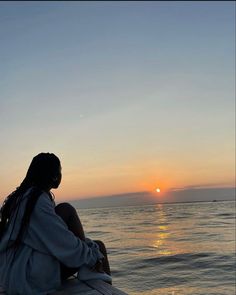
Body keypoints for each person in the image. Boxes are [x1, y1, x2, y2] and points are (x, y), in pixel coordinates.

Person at [0, 153, 111, 295]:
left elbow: (53, 238)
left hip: (12, 269)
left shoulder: (22, 197)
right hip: (26, 277)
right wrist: (92, 257)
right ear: (52, 175)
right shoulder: (36, 201)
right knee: (98, 247)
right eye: (59, 170)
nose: (60, 174)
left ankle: (88, 262)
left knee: (65, 214)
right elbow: (63, 242)